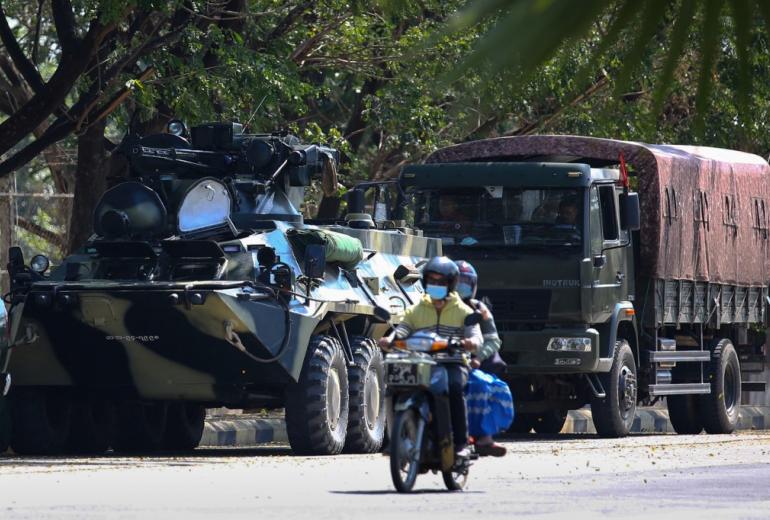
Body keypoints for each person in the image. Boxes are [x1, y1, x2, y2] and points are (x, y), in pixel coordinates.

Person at [379, 256, 482, 455]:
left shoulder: (462, 310)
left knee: (453, 388)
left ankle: (461, 444)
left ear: (451, 284)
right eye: (432, 281)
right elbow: (403, 329)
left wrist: (471, 342)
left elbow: (474, 334)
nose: (435, 285)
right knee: (394, 387)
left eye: (441, 282)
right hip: (422, 363)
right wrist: (390, 339)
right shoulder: (417, 309)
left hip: (452, 363)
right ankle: (396, 439)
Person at [455, 260, 510, 457]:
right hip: (438, 359)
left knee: (480, 385)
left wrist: (476, 357)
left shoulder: (479, 310)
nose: (460, 287)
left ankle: (483, 438)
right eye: (456, 282)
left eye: (465, 282)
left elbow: (492, 340)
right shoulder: (434, 305)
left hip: (467, 362)